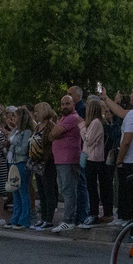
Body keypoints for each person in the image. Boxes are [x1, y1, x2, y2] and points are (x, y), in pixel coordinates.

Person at [100, 84, 133, 226]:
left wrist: (119, 159)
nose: (129, 95)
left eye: (131, 93)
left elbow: (126, 141)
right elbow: (121, 112)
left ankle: (129, 220)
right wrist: (106, 98)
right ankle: (126, 218)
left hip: (131, 159)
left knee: (127, 192)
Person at [49, 94, 83, 233]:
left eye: (67, 104)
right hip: (61, 159)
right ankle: (68, 218)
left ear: (73, 105)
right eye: (62, 104)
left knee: (69, 190)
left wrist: (56, 133)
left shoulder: (72, 118)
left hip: (69, 159)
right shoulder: (63, 119)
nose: (64, 106)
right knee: (64, 189)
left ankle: (69, 220)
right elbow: (52, 134)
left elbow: (54, 133)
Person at [81, 96, 112, 227]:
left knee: (92, 187)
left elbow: (88, 140)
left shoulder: (96, 123)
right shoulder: (95, 123)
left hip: (94, 158)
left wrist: (82, 128)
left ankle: (94, 214)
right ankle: (92, 213)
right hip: (91, 157)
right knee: (91, 186)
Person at [30, 102, 58, 231]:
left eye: (37, 111)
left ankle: (49, 218)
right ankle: (43, 217)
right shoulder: (38, 126)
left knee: (48, 190)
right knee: (41, 190)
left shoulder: (51, 126)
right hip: (37, 161)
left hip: (48, 162)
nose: (35, 114)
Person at [7, 106, 35, 230]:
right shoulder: (15, 131)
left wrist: (12, 144)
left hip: (21, 162)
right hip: (12, 161)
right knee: (15, 191)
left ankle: (25, 219)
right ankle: (15, 217)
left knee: (23, 191)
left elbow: (24, 149)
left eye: (16, 116)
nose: (14, 119)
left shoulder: (27, 132)